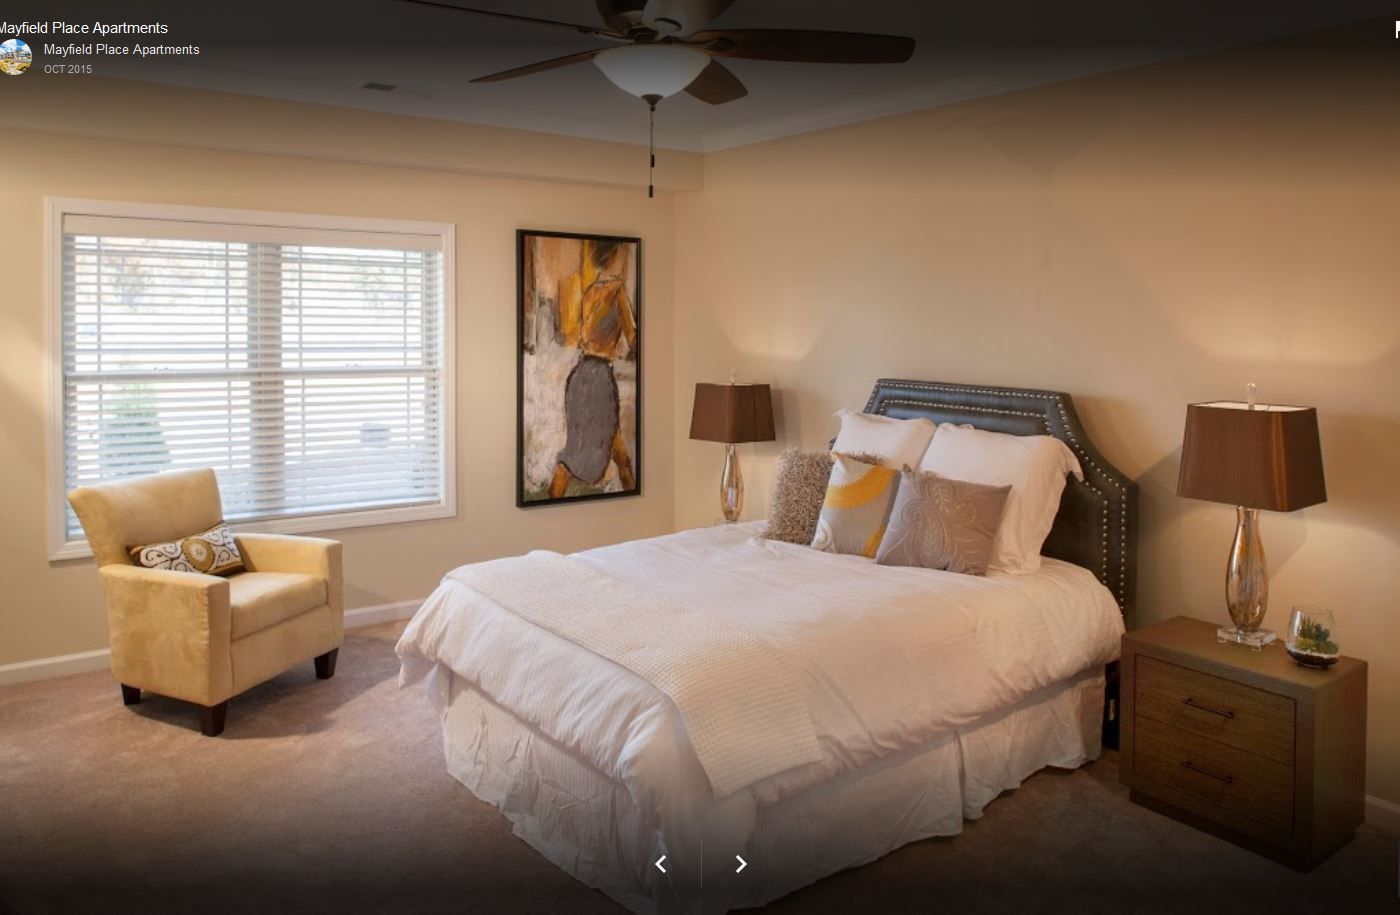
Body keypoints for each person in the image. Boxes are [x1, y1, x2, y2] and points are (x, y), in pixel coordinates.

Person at [549, 240, 637, 499]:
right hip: (599, 381)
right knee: (575, 459)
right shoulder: (617, 290)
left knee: (613, 454)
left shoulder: (589, 293)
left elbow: (580, 336)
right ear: (614, 257)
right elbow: (633, 338)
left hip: (580, 377)